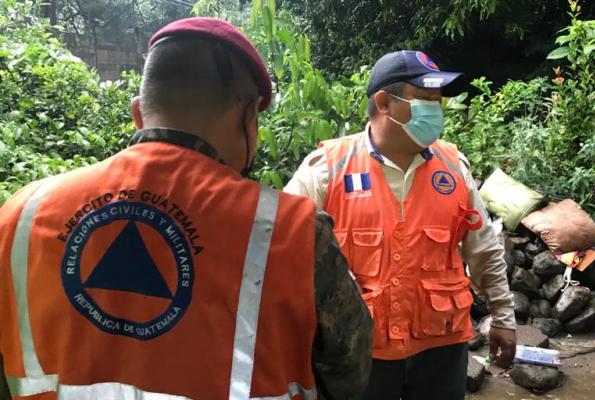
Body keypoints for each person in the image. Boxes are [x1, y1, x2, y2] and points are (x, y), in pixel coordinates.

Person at [0, 18, 371, 400]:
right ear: (247, 114)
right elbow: (348, 374)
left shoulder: (21, 215)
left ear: (137, 112)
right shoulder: (296, 232)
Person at [284, 50, 516, 400]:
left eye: (437, 102)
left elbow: (483, 246)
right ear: (383, 102)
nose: (435, 111)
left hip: (441, 348)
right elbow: (282, 250)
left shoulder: (453, 168)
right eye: (424, 99)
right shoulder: (327, 169)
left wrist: (503, 315)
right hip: (358, 350)